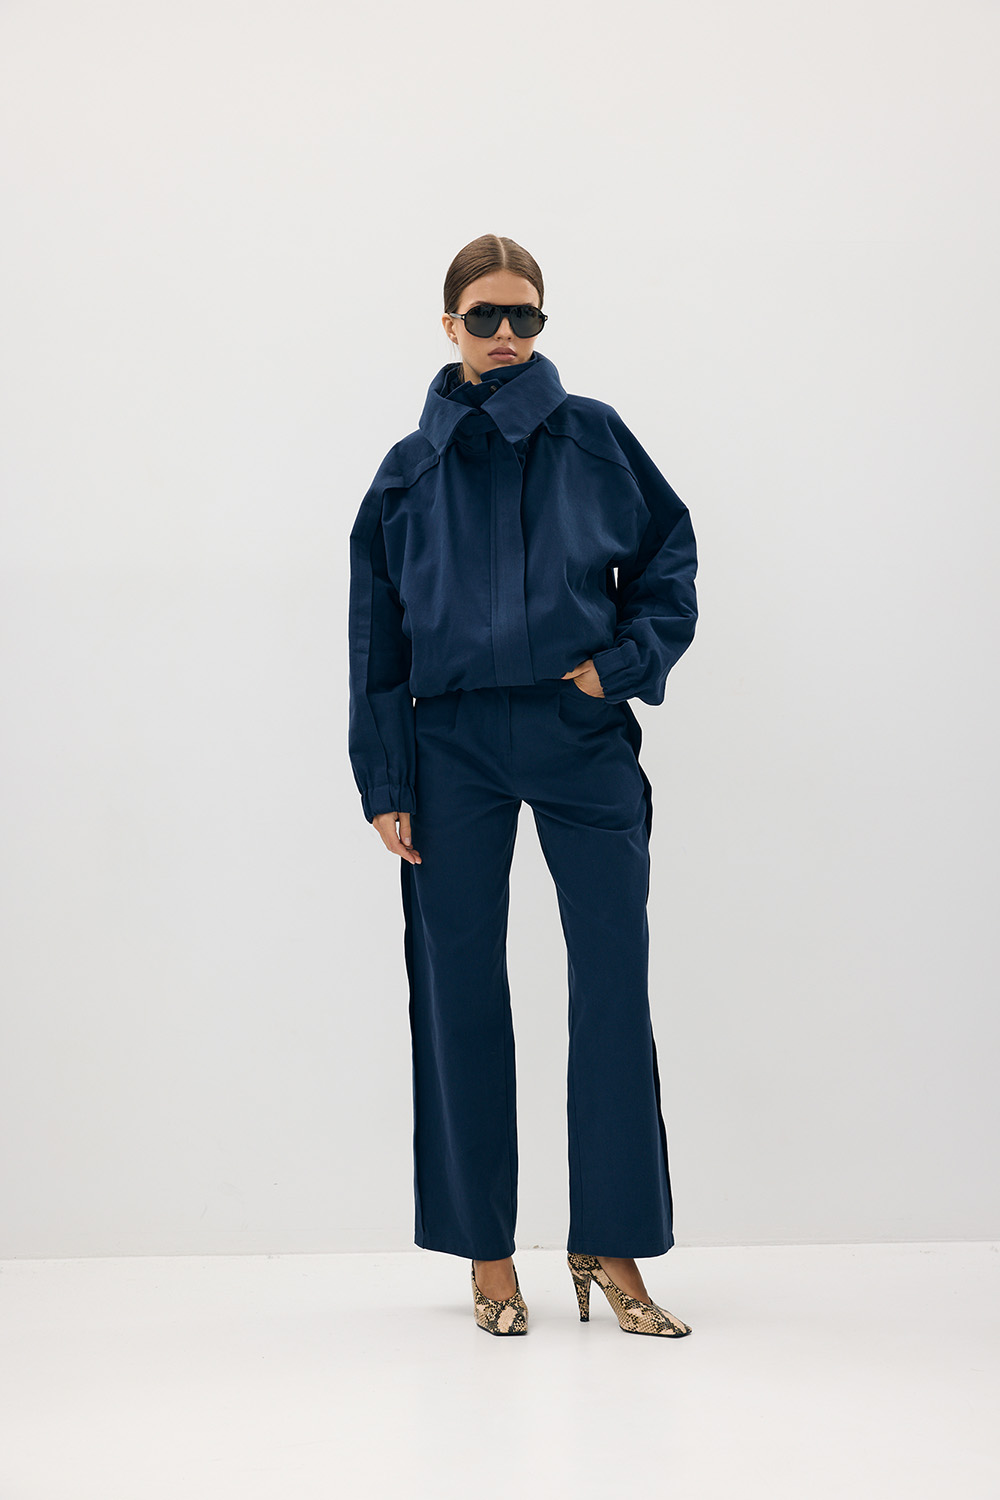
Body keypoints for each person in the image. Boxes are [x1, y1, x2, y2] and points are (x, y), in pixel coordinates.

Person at [348, 234, 698, 1338]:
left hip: (577, 730)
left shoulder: (594, 437)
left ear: (542, 324)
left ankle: (613, 1243)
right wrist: (385, 778)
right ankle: (487, 1254)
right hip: (448, 745)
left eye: (526, 317)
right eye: (486, 316)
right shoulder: (408, 470)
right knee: (457, 986)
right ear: (449, 324)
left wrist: (620, 666)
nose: (506, 335)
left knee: (613, 978)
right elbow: (376, 635)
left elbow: (669, 559)